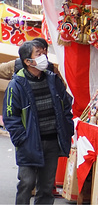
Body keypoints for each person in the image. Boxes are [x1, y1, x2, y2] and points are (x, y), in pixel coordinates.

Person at [3, 39, 73, 205]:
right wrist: (22, 138)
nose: (44, 57)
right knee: (26, 183)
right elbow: (10, 116)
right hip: (29, 142)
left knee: (47, 186)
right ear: (27, 61)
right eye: (39, 54)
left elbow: (65, 105)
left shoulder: (53, 79)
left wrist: (66, 128)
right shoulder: (16, 84)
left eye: (44, 53)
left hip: (52, 140)